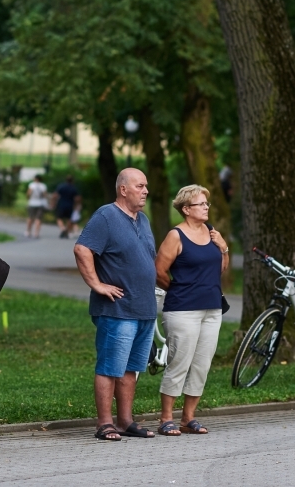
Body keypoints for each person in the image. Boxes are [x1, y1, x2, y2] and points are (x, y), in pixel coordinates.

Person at [74, 168, 157, 441]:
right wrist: (96, 284)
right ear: (123, 189)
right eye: (140, 186)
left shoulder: (142, 220)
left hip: (143, 308)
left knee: (131, 368)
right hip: (117, 309)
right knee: (110, 366)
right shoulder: (106, 216)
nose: (145, 191)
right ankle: (105, 423)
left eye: (146, 186)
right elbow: (82, 249)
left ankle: (125, 421)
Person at [154, 185, 229, 436]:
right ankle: (166, 418)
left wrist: (224, 247)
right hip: (183, 309)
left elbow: (220, 268)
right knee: (179, 362)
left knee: (201, 364)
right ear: (186, 209)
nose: (207, 207)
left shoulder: (211, 232)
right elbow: (159, 271)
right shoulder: (176, 235)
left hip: (212, 308)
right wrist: (178, 289)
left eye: (207, 204)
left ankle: (188, 418)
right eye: (201, 204)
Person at [24, 174, 47, 238]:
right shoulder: (43, 186)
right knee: (38, 218)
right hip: (40, 203)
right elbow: (45, 195)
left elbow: (28, 193)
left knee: (30, 217)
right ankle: (36, 233)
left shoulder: (32, 185)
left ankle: (28, 231)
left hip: (32, 203)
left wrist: (28, 199)